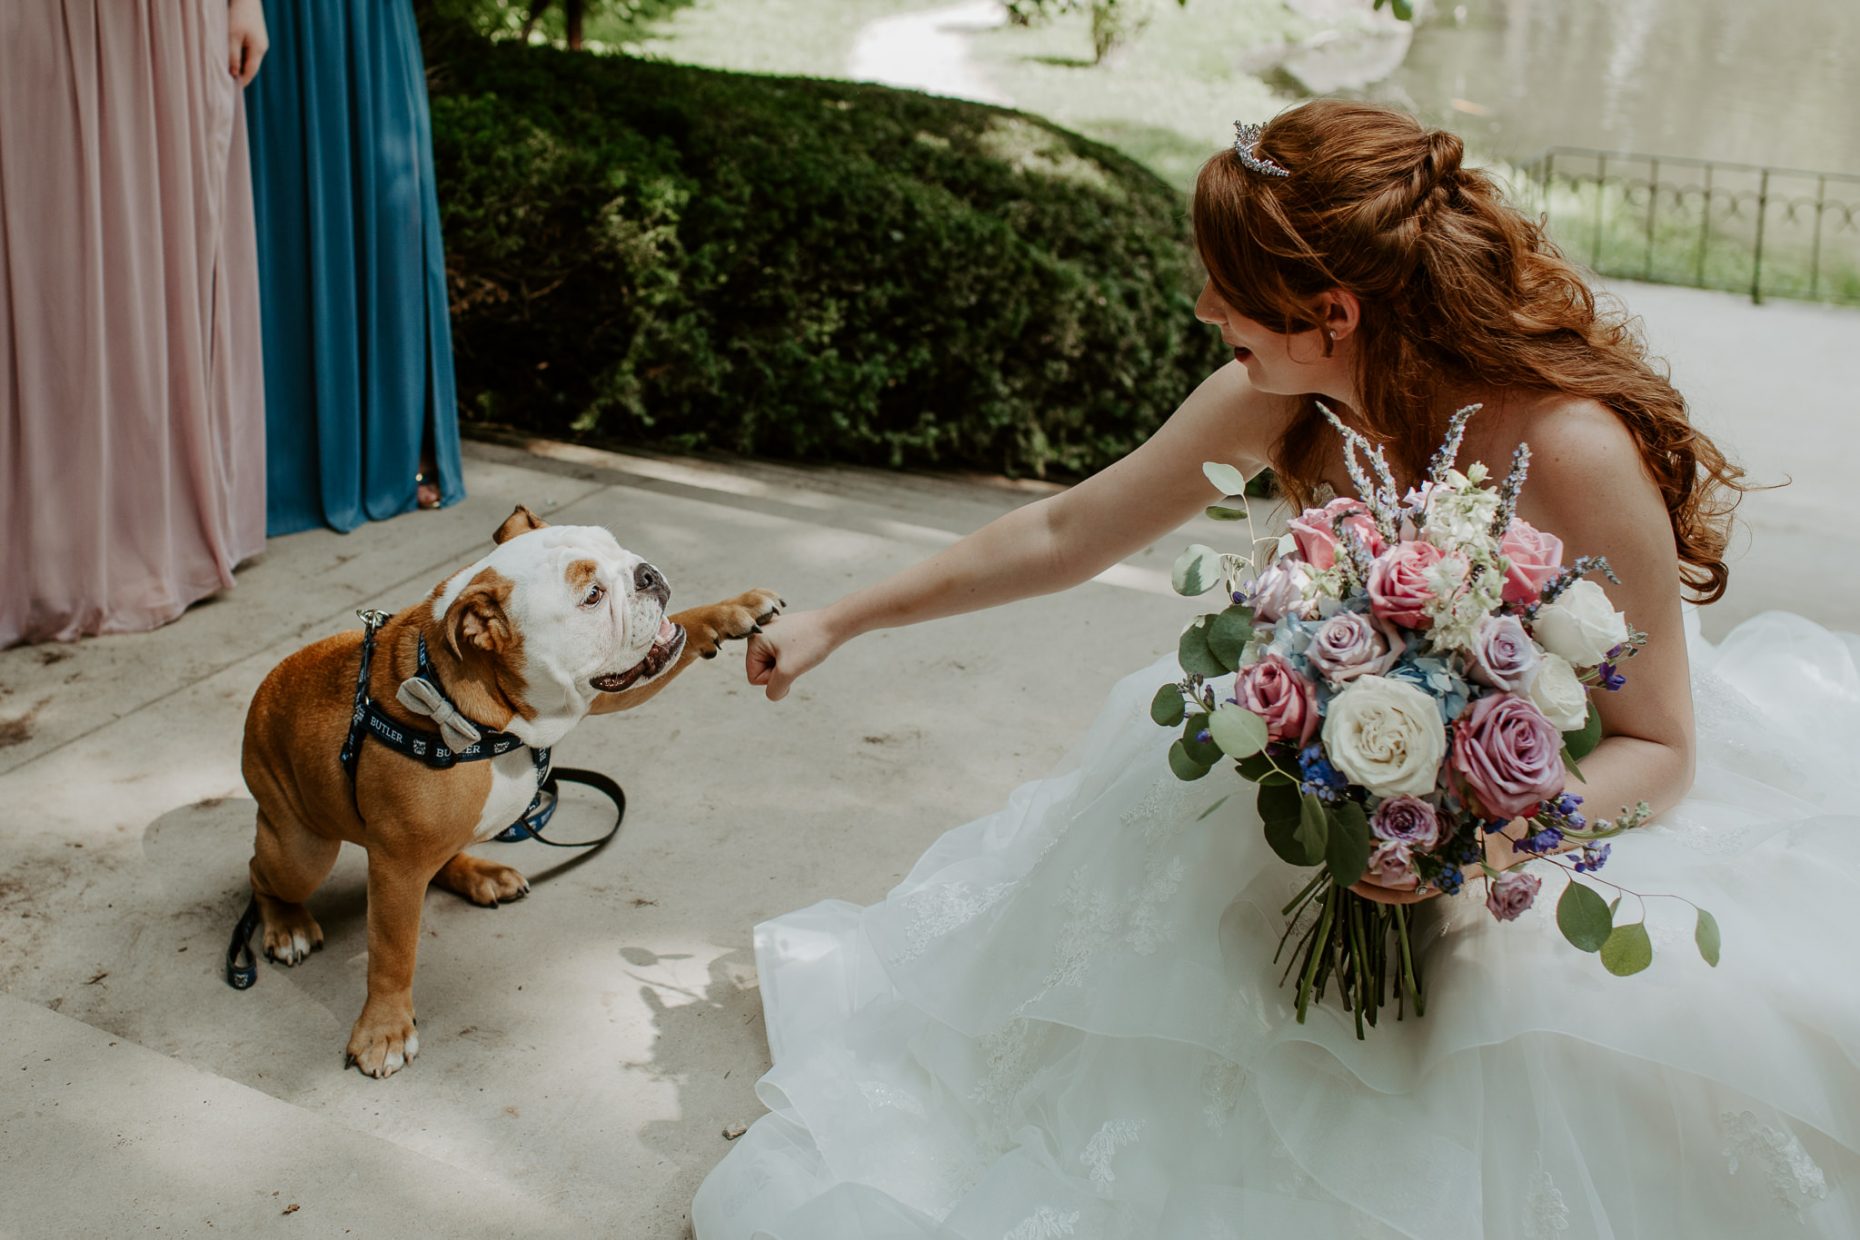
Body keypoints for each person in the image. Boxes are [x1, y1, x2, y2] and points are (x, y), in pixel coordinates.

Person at [692, 101, 1859, 1237]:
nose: (1205, 309)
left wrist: (1467, 844)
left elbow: (1662, 746)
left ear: (1332, 311)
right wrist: (841, 618)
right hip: (1324, 776)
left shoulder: (1571, 446)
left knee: (1536, 1028)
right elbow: (1065, 531)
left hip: (1553, 797)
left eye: (1227, 289)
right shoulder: (1276, 403)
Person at [0, 0, 271, 647]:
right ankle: (47, 549)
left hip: (166, 24)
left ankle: (144, 530)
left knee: (159, 255)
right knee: (47, 254)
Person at [243, 0, 465, 536]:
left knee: (391, 209)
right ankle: (272, 457)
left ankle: (396, 445)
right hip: (281, 18)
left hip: (370, 19)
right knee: (280, 205)